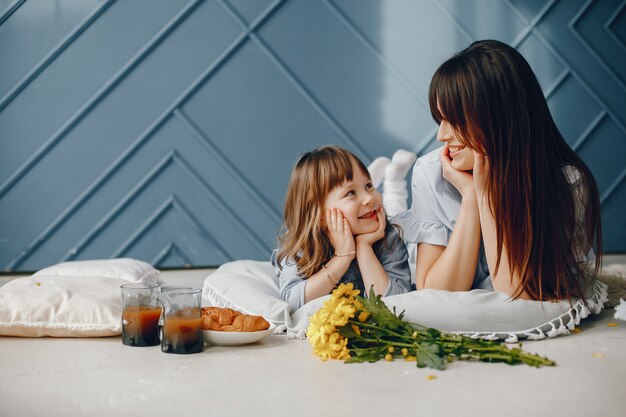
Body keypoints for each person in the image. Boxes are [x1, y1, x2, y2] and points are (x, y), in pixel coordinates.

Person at [394, 39, 602, 301]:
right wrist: (469, 197)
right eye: (440, 119)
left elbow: (517, 296)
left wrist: (485, 195)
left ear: (500, 118)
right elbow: (434, 294)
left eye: (455, 121)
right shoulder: (432, 171)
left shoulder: (568, 183)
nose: (441, 135)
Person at [272, 145, 411, 312]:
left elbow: (397, 306)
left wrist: (363, 247)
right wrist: (342, 257)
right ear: (320, 216)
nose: (368, 198)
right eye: (350, 193)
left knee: (395, 210)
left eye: (369, 186)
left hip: (369, 220)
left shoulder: (388, 237)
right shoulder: (302, 244)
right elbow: (292, 302)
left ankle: (391, 181)